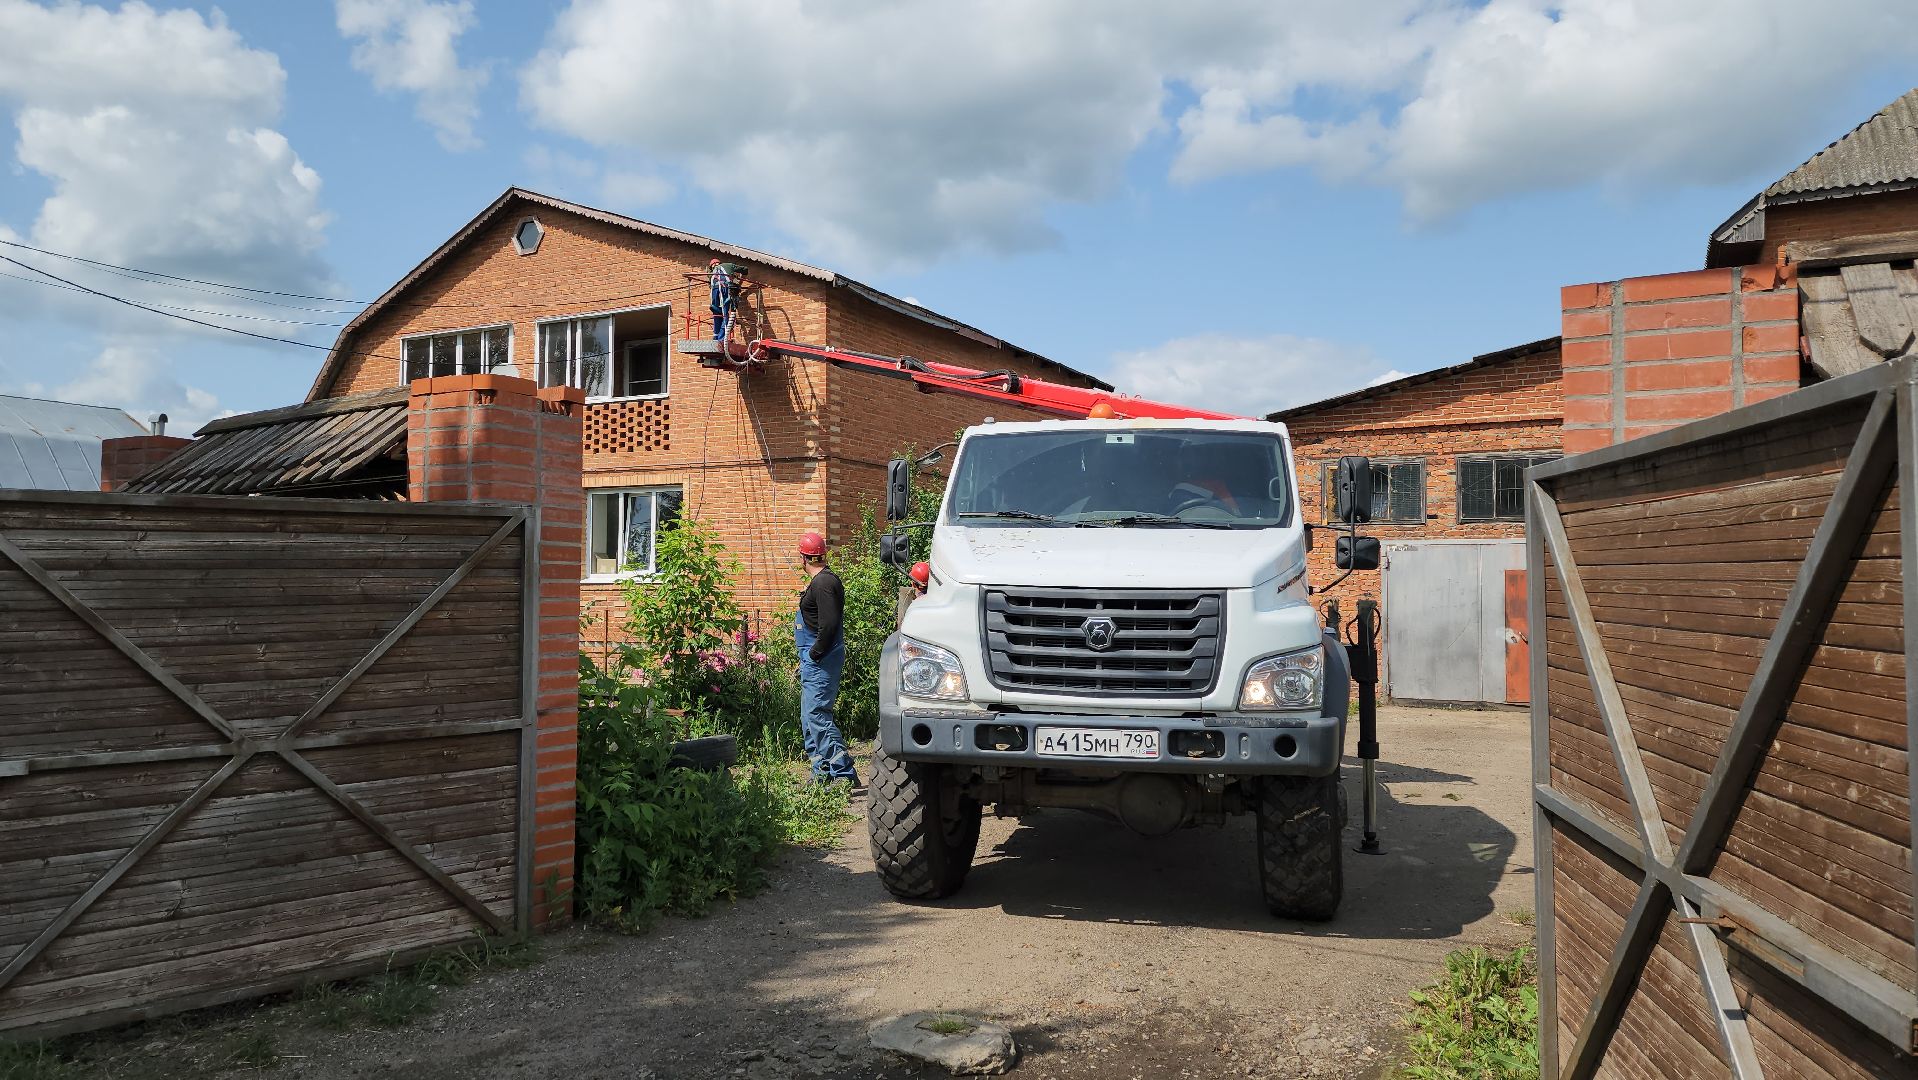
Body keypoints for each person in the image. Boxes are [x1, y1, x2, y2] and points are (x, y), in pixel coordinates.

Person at [795, 530, 859, 786]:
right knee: (808, 716)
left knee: (818, 715)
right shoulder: (820, 582)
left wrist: (813, 654)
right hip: (813, 659)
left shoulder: (824, 583)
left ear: (803, 558)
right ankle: (820, 771)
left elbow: (829, 625)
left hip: (821, 659)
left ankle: (842, 771)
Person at [708, 258, 749, 344]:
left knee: (717, 315)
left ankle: (716, 337)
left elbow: (710, 285)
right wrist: (739, 282)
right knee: (726, 314)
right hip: (725, 289)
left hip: (714, 292)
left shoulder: (710, 274)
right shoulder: (729, 265)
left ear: (711, 266)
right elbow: (745, 270)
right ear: (720, 263)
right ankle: (722, 338)